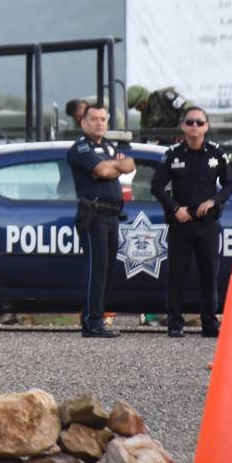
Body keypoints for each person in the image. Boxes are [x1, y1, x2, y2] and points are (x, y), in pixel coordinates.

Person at [150, 107, 232, 338]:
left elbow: (230, 185)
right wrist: (175, 208)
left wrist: (213, 201)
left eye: (199, 122)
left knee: (209, 274)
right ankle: (175, 323)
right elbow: (156, 186)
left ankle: (209, 323)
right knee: (177, 275)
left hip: (207, 223)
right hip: (181, 223)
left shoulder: (216, 153)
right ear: (183, 126)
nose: (195, 127)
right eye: (190, 122)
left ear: (206, 126)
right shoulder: (173, 154)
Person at [66, 103, 136, 338]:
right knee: (96, 269)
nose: (99, 123)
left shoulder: (107, 146)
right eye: (94, 119)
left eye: (103, 119)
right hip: (93, 216)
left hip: (111, 215)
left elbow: (129, 164)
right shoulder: (81, 148)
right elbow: (105, 171)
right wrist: (115, 167)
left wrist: (112, 166)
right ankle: (90, 322)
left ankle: (99, 318)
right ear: (83, 122)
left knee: (107, 270)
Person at [128, 84, 193, 130]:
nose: (137, 109)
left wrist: (179, 130)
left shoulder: (165, 96)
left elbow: (188, 109)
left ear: (144, 100)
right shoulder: (145, 115)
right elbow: (144, 132)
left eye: (138, 106)